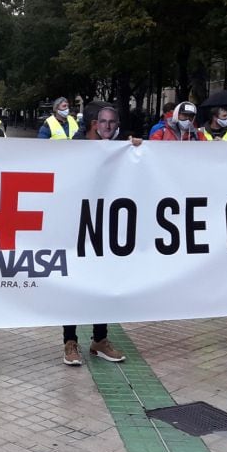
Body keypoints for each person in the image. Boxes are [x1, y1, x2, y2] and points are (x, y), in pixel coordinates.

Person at [61, 103, 144, 364]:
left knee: (103, 282)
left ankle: (99, 339)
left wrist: (138, 148)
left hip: (106, 225)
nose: (107, 126)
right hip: (77, 222)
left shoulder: (121, 148)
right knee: (74, 285)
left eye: (112, 122)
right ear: (94, 123)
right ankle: (70, 342)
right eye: (103, 121)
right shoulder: (75, 146)